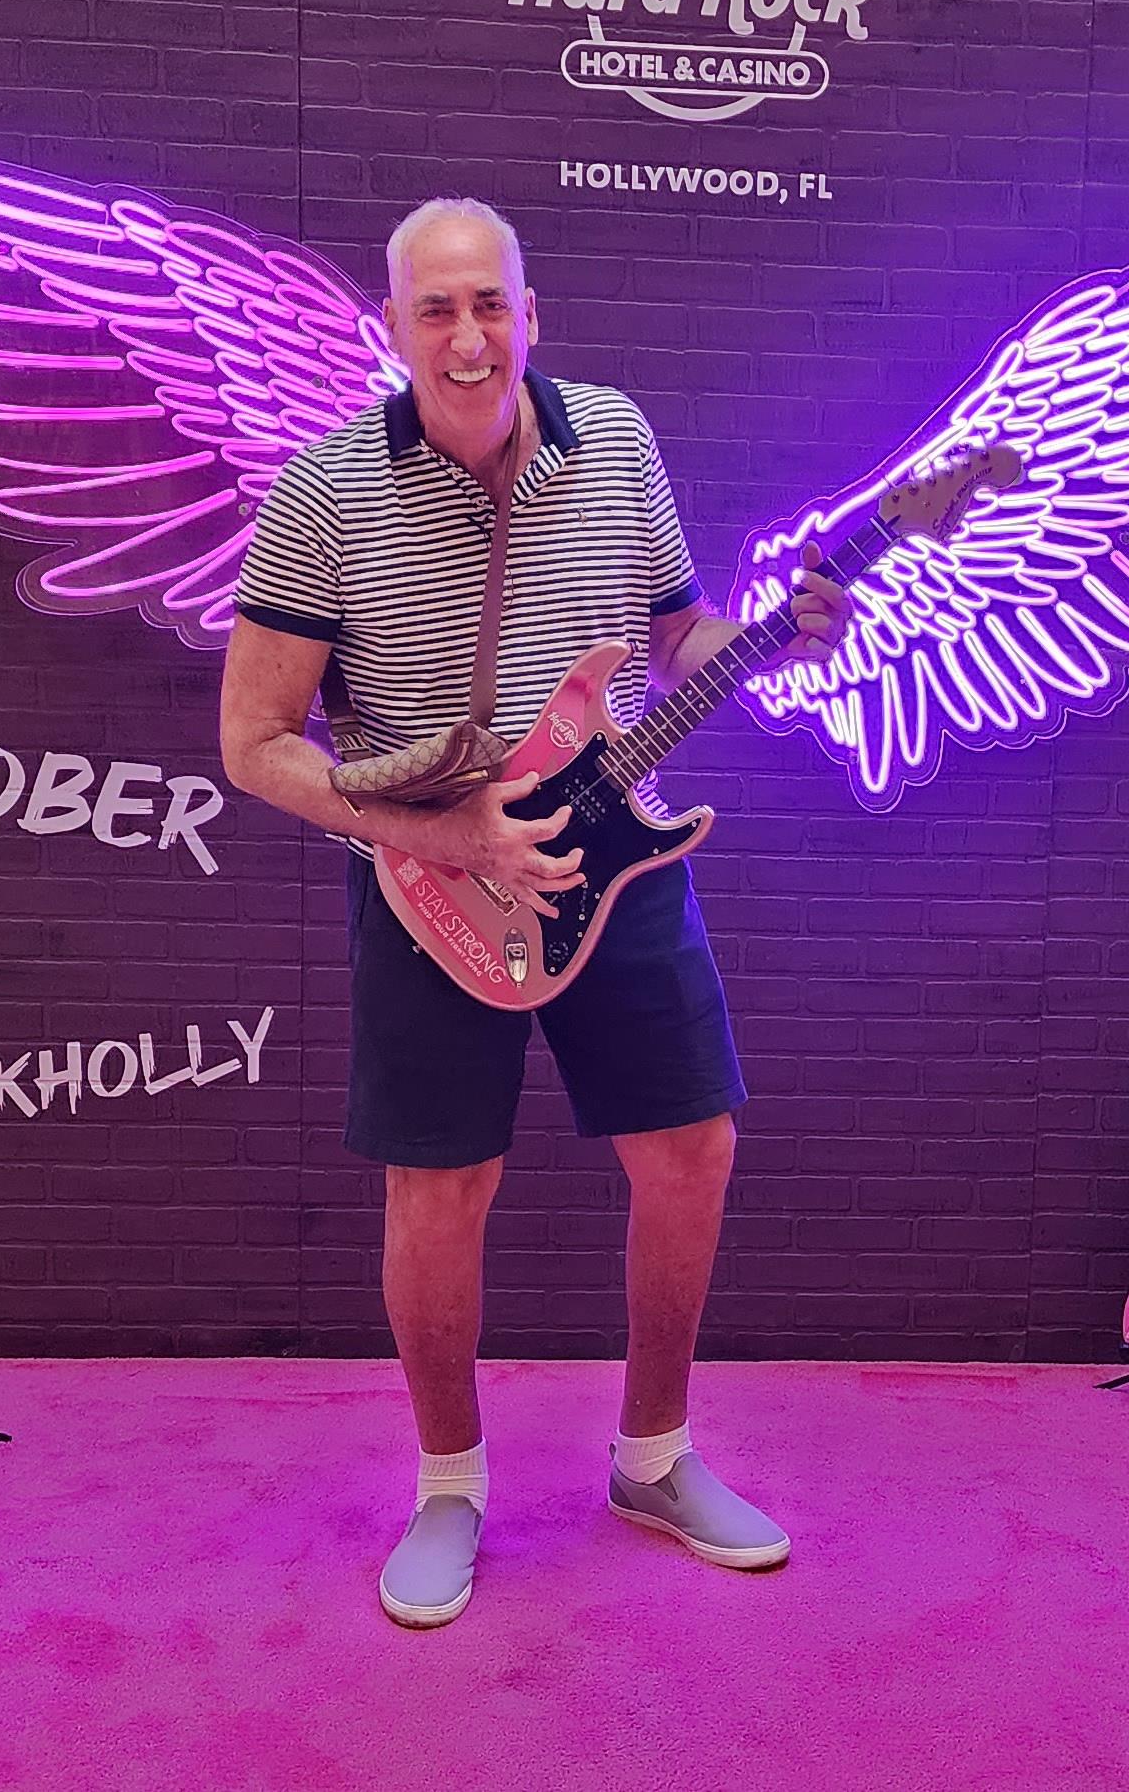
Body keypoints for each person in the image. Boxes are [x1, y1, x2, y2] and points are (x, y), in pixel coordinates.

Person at [216, 198, 858, 1630]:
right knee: (442, 1193)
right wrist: (445, 828)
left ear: (530, 314)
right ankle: (449, 1486)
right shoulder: (324, 495)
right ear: (393, 328)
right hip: (428, 876)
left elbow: (679, 631)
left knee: (693, 1151)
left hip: (617, 856)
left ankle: (654, 1460)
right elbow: (256, 743)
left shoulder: (615, 441)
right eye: (435, 308)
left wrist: (774, 632)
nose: (466, 334)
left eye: (490, 304)